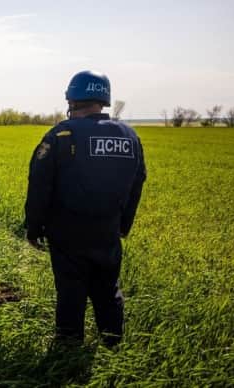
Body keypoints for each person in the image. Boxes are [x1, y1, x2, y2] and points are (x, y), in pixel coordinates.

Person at [24, 70, 146, 347]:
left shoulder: (61, 134)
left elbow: (39, 184)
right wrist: (123, 226)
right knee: (108, 289)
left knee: (71, 290)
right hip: (108, 232)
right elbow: (137, 184)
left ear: (72, 99)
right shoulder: (129, 136)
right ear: (103, 100)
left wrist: (34, 226)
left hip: (68, 233)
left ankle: (68, 349)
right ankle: (112, 344)